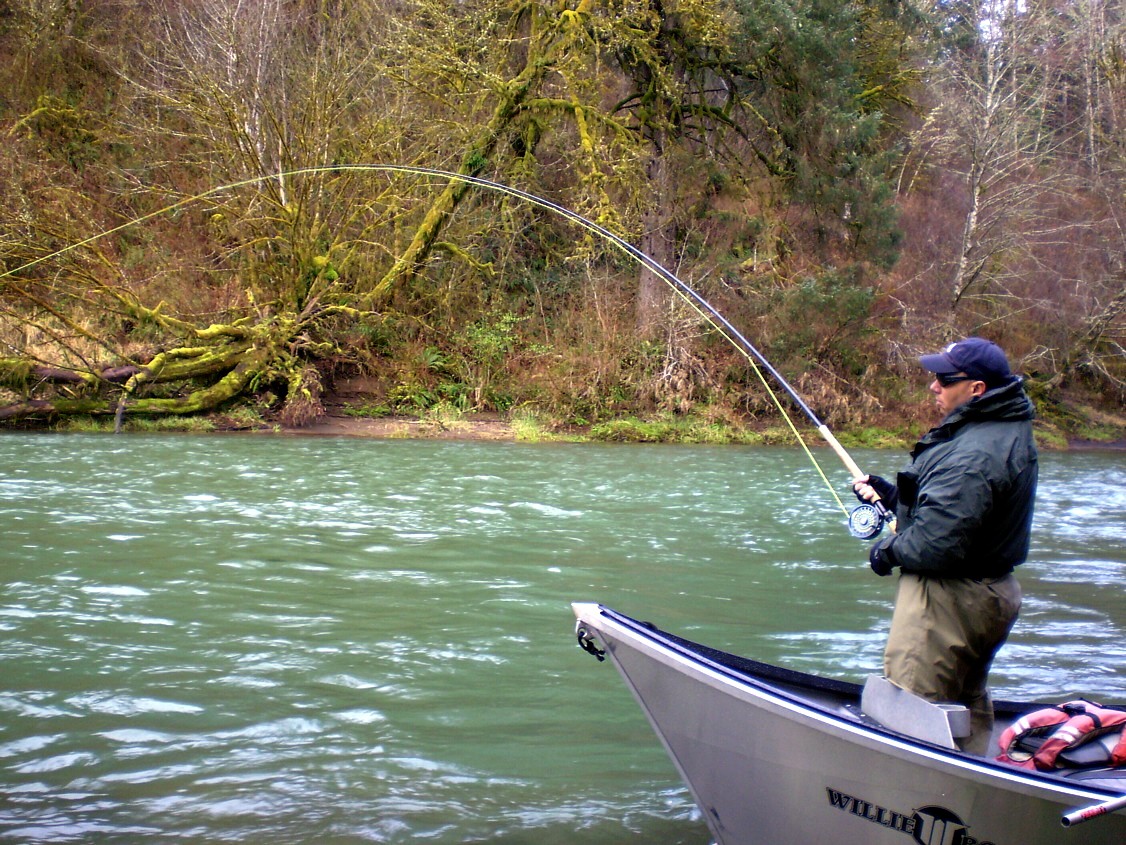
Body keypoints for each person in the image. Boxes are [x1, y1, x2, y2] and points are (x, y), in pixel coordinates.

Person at [853, 337, 1038, 754]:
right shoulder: (1001, 428)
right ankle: (976, 790)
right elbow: (965, 513)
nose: (933, 386)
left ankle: (912, 806)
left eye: (944, 379)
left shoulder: (974, 454)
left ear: (976, 389)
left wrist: (885, 551)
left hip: (947, 601)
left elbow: (935, 544)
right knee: (964, 704)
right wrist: (894, 498)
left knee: (912, 711)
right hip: (989, 592)